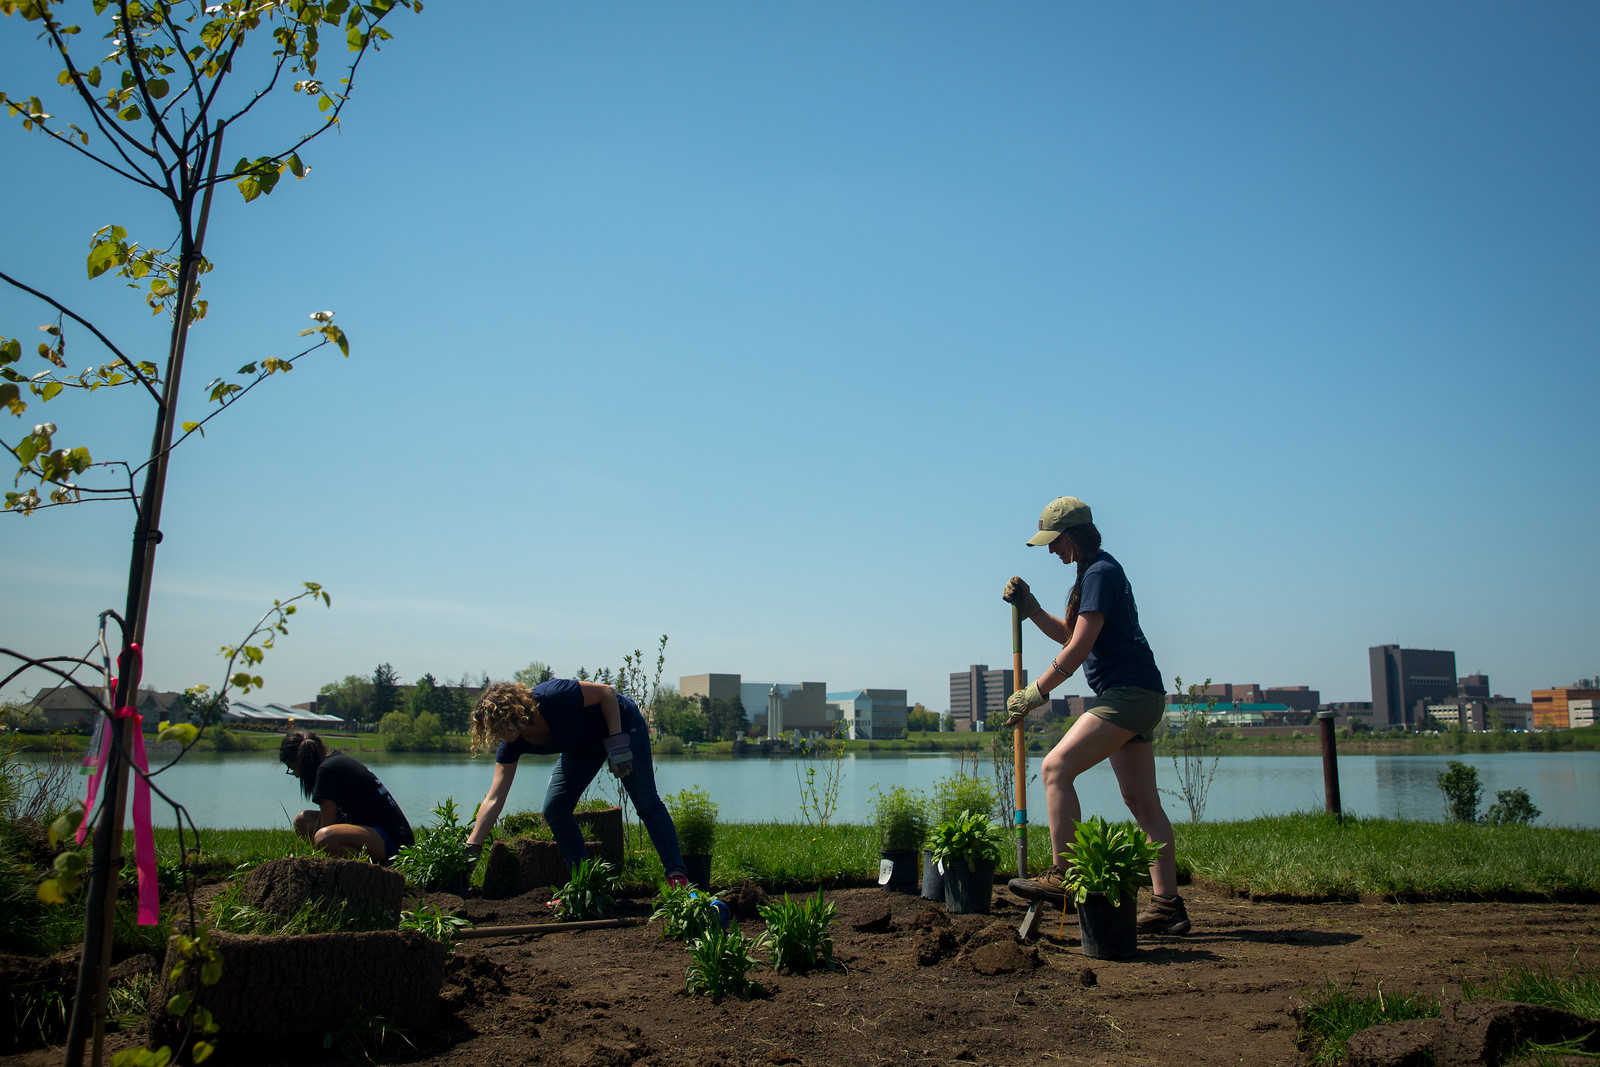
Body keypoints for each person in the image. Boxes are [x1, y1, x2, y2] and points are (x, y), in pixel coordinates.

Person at [1001, 495, 1190, 936]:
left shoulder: (1100, 572)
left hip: (1128, 694)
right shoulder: (1092, 573)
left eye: (1055, 540)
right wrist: (1031, 608)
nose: (1051, 549)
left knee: (1055, 767)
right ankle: (1168, 905)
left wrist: (1036, 692)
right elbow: (1072, 636)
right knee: (1141, 801)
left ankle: (1064, 874)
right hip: (1138, 693)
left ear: (1075, 535)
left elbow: (1080, 648)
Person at [465, 677, 689, 885]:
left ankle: (676, 875)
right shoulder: (512, 743)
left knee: (645, 800)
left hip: (621, 724)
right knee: (555, 809)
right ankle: (585, 884)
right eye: (494, 730)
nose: (500, 735)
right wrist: (472, 846)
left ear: (516, 712)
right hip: (582, 745)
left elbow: (606, 693)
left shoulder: (553, 695)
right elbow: (494, 798)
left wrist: (616, 742)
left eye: (501, 725)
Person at [279, 730, 414, 864]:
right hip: (375, 834)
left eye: (292, 768)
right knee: (303, 821)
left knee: (325, 838)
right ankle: (344, 866)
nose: (296, 775)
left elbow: (327, 828)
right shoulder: (332, 762)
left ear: (303, 761)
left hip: (395, 843)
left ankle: (370, 872)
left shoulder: (327, 771)